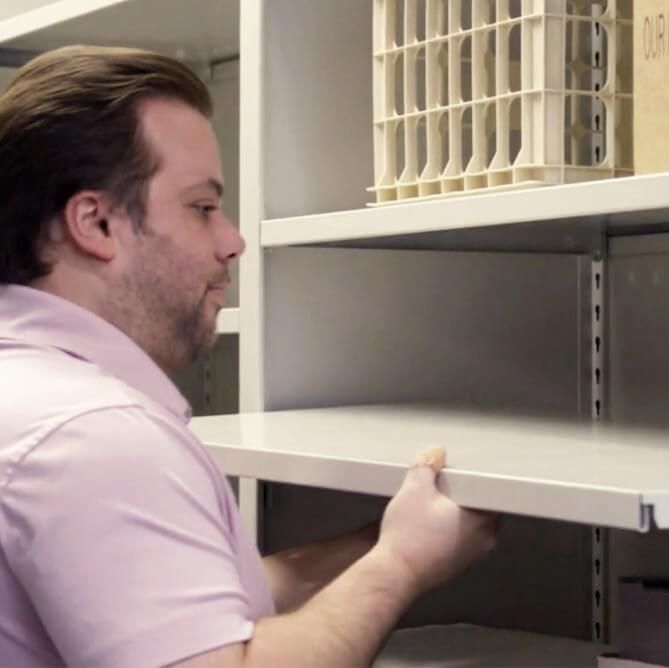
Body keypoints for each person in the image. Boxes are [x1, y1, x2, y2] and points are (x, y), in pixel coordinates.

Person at [0, 45, 498, 667]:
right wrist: (401, 565)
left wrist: (385, 541)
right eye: (202, 208)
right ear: (96, 223)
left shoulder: (29, 396)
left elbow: (175, 604)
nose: (233, 240)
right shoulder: (93, 434)